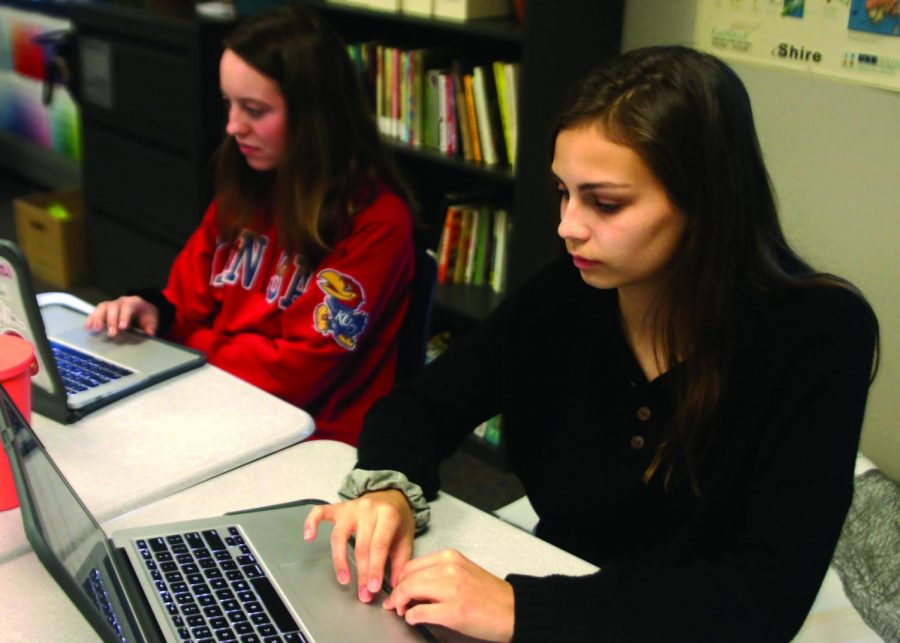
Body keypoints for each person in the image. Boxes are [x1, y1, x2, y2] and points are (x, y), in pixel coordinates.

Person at [303, 45, 880, 642]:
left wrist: (521, 610)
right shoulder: (569, 292)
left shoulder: (820, 332)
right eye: (563, 192)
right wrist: (390, 490)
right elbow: (421, 406)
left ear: (706, 203)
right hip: (566, 588)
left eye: (605, 203)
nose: (568, 226)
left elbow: (761, 598)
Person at [85, 4, 415, 444]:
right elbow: (185, 302)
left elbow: (293, 376)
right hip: (217, 401)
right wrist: (153, 311)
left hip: (303, 438)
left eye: (255, 110)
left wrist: (191, 343)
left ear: (314, 116)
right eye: (229, 103)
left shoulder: (377, 222)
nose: (233, 126)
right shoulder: (248, 182)